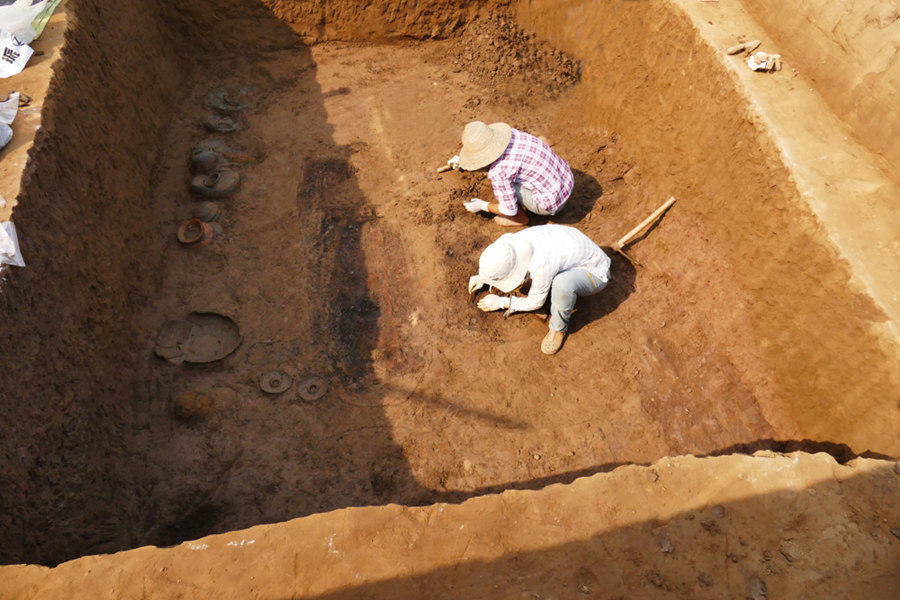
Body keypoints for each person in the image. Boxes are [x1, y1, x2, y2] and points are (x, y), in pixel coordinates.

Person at [468, 224, 611, 355]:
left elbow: (536, 302)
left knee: (562, 284)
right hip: (570, 248)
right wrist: (484, 277)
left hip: (594, 272)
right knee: (543, 281)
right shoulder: (514, 244)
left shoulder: (541, 265)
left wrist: (503, 302)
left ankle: (558, 329)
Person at [450, 120, 574, 226]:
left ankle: (519, 219)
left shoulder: (499, 172)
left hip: (554, 203)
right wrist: (464, 162)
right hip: (566, 178)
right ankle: (544, 142)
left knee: (508, 189)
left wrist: (482, 205)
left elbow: (509, 209)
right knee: (531, 150)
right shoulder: (513, 134)